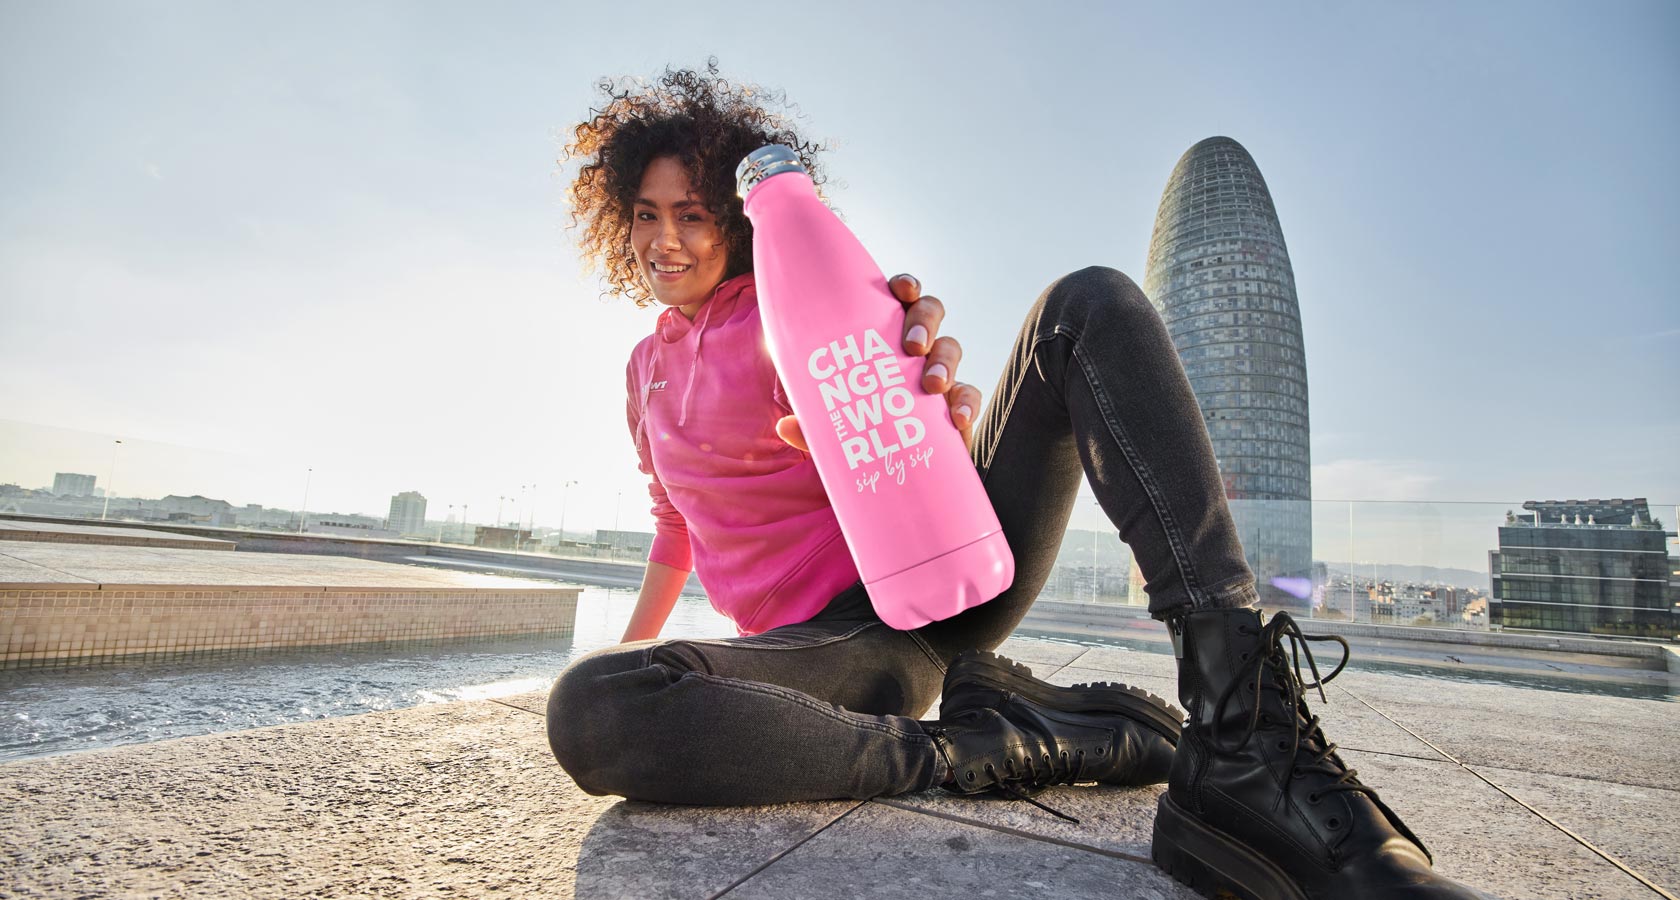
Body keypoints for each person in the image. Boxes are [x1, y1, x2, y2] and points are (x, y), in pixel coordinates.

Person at [547, 63, 1480, 899]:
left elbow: (873, 404)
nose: (666, 238)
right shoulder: (642, 372)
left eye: (694, 213)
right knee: (596, 705)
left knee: (1088, 302)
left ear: (740, 222)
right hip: (828, 653)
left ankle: (1242, 729)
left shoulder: (782, 310)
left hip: (938, 570)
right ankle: (998, 740)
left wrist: (922, 397)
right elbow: (674, 527)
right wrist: (630, 652)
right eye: (646, 213)